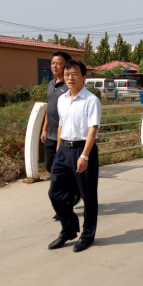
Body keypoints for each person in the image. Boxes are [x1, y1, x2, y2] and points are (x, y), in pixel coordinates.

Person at [47, 60, 102, 252]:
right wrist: (59, 149)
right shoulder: (62, 99)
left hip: (83, 149)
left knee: (88, 196)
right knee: (55, 192)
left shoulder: (91, 100)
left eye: (74, 74)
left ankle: (87, 235)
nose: (70, 78)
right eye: (67, 74)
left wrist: (85, 156)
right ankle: (69, 228)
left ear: (84, 77)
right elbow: (61, 124)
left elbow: (93, 129)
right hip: (64, 150)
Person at [40, 51, 80, 221]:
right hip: (51, 135)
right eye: (52, 63)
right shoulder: (51, 84)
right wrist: (44, 128)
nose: (54, 66)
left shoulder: (70, 85)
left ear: (66, 66)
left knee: (61, 174)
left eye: (58, 63)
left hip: (65, 136)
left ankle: (65, 206)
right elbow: (48, 109)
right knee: (50, 167)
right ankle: (76, 187)